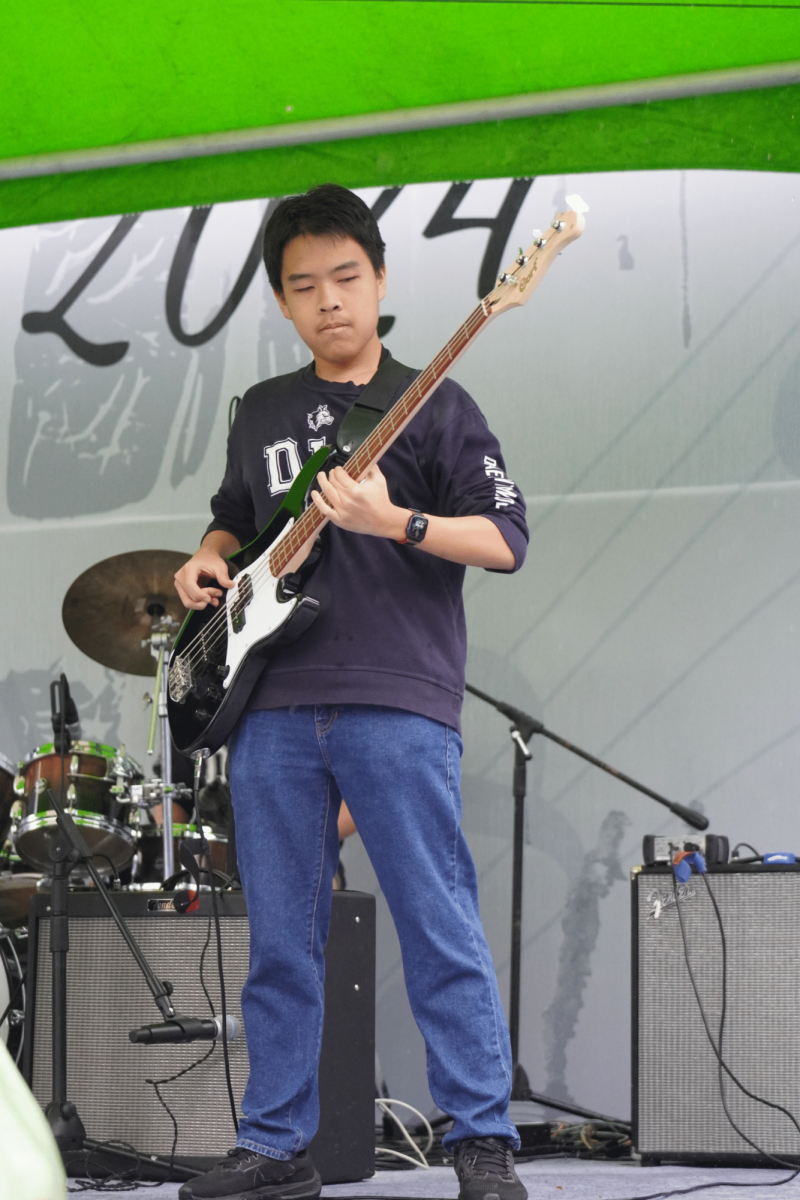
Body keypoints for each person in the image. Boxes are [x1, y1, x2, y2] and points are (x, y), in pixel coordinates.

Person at [173, 184, 529, 1200]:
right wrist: (203, 564)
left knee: (436, 925)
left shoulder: (438, 402)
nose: (327, 300)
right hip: (271, 706)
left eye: (345, 278)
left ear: (377, 282)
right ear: (283, 304)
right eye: (303, 286)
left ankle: (480, 1142)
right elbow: (232, 522)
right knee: (281, 941)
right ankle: (275, 1148)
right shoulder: (262, 411)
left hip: (393, 697)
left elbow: (503, 541)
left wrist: (394, 523)